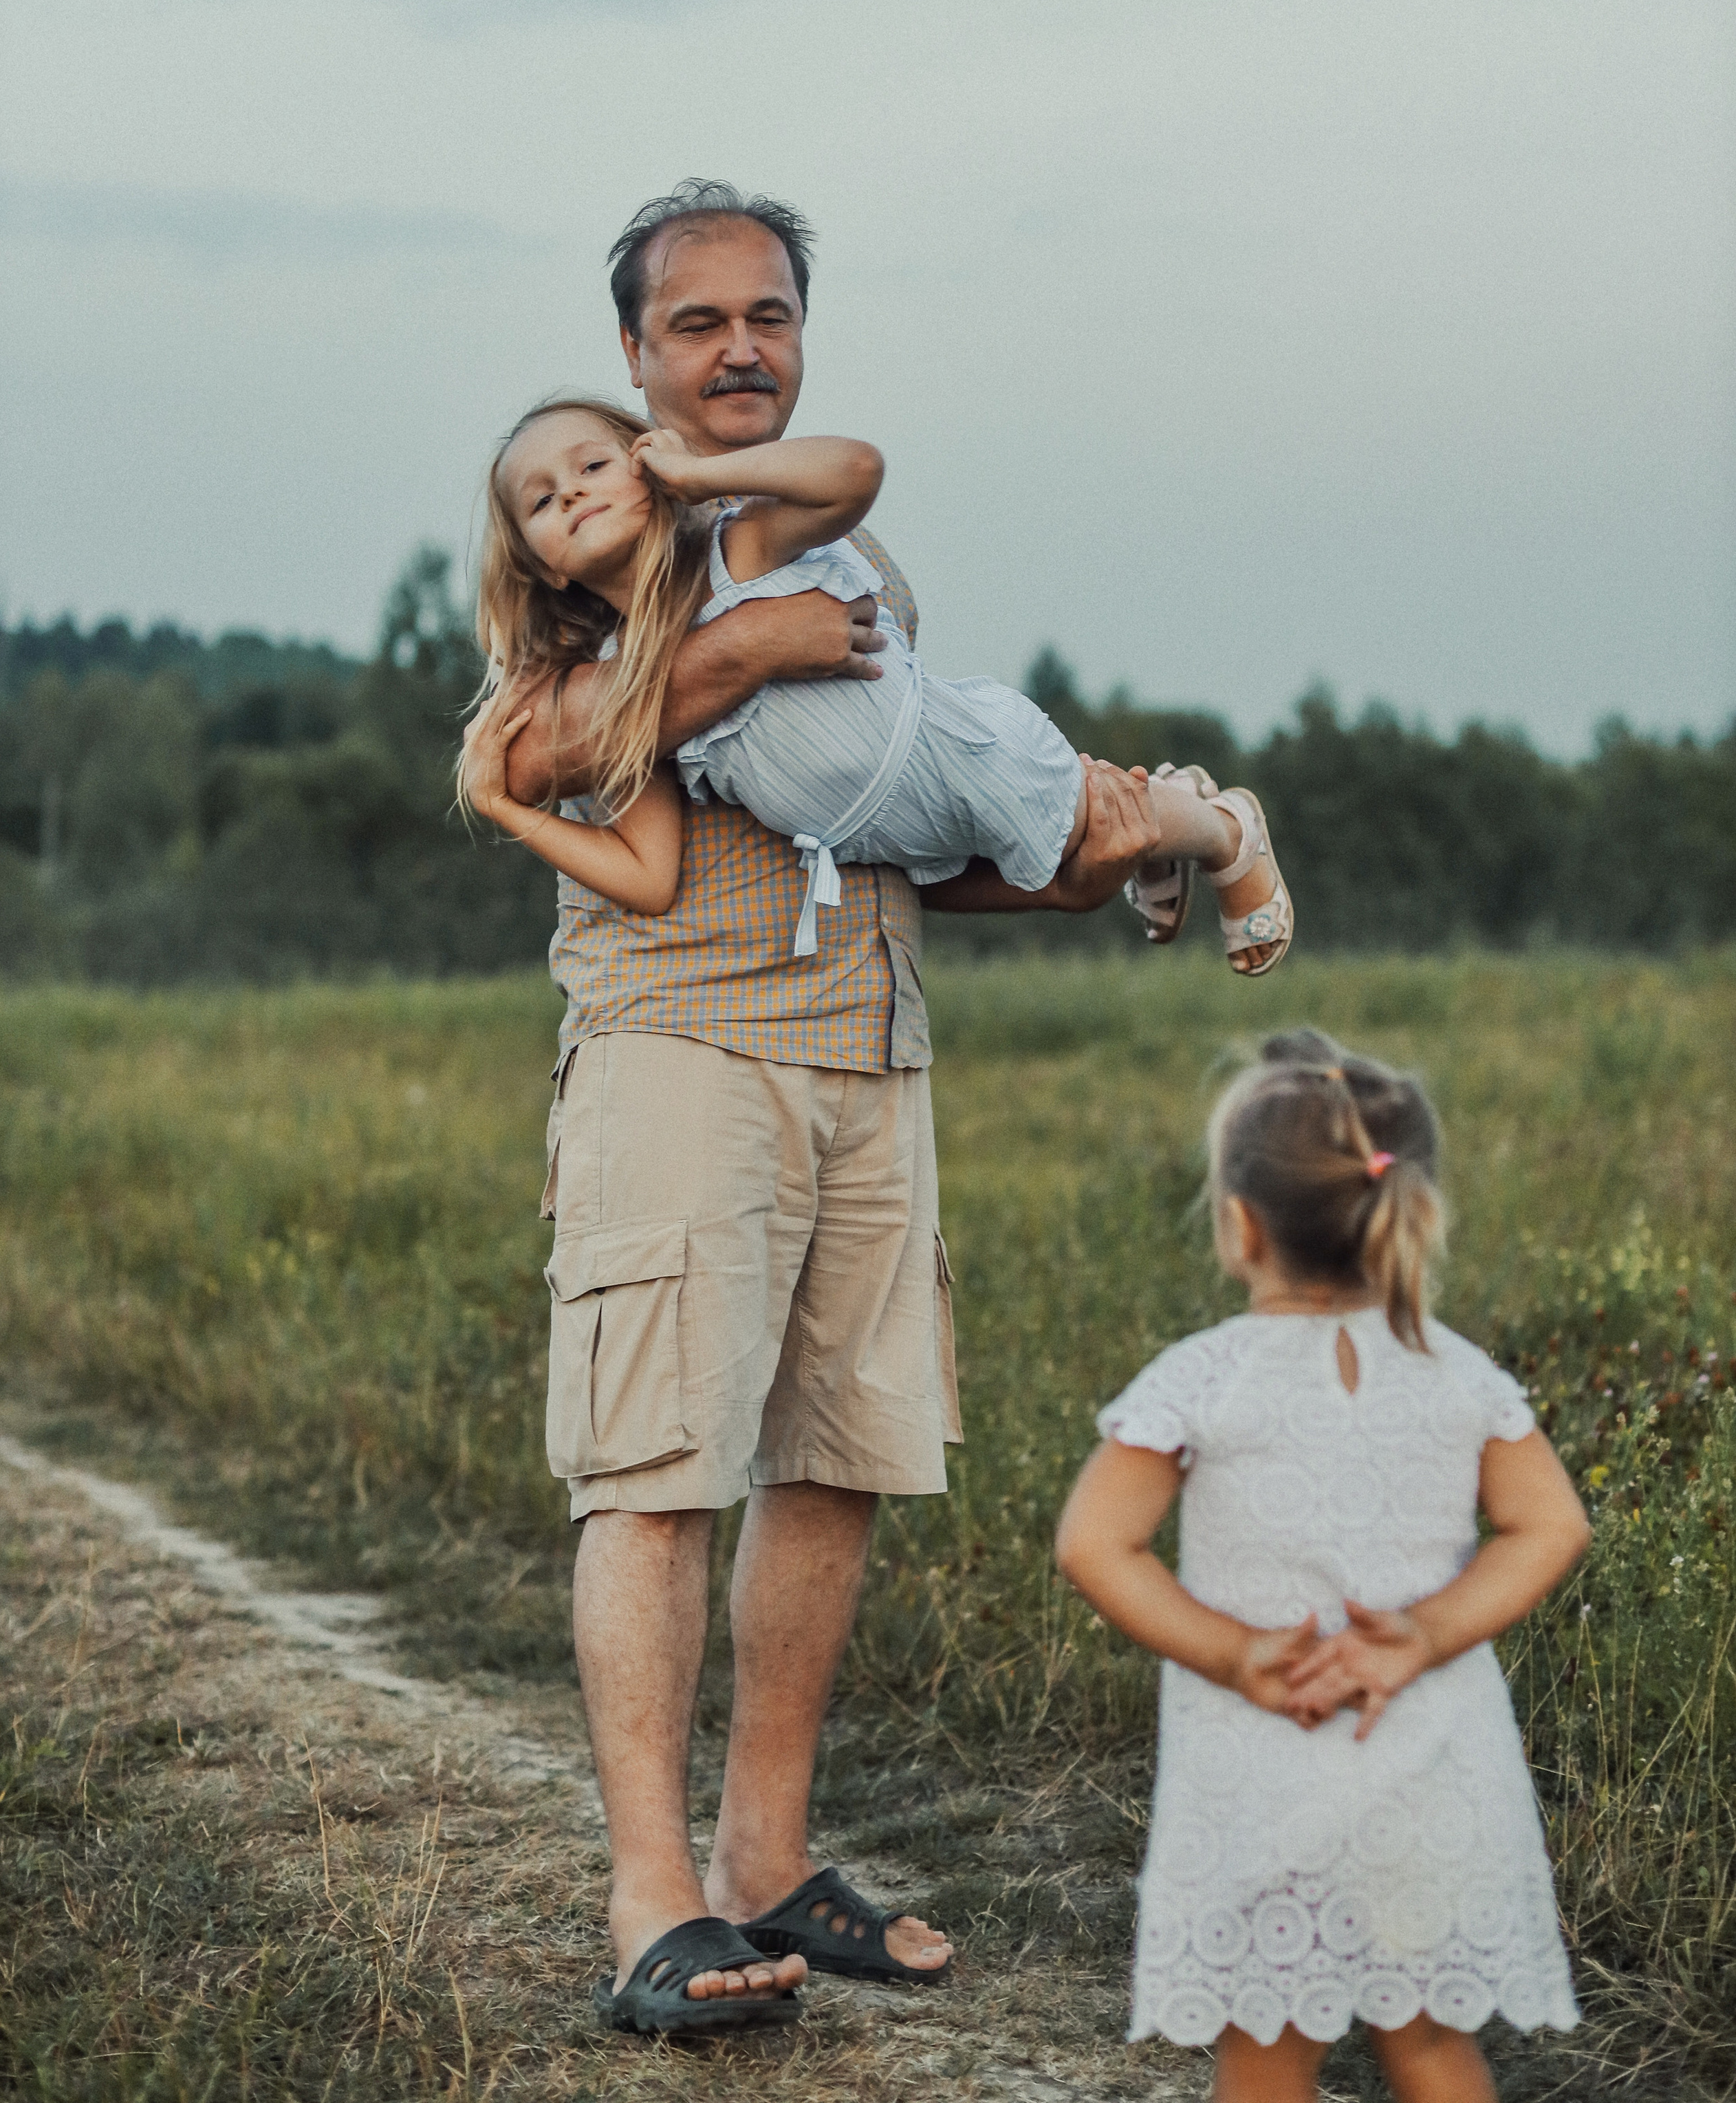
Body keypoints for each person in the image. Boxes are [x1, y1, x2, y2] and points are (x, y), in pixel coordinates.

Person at [470, 181, 1185, 2036]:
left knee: (841, 1463)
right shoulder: (598, 541)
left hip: (872, 1051)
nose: (737, 348)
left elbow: (911, 827)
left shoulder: (834, 555)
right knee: (657, 1473)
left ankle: (768, 1859)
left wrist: (1081, 855)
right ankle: (655, 1911)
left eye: (767, 315)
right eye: (697, 322)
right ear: (635, 354)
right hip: (685, 1057)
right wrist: (728, 656)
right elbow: (540, 747)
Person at [1055, 1030, 1589, 2102]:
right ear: (1403, 1212)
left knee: (1265, 2053)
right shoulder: (1458, 1373)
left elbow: (1094, 1543)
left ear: (1240, 1224)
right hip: (1430, 1767)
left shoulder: (1200, 1380)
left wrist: (1239, 1651)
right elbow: (1551, 1527)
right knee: (1434, 2046)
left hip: (1263, 1775)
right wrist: (1429, 1633)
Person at [459, 398, 1292, 970]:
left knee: (1081, 811)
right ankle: (1172, 826)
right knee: (1083, 848)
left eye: (594, 464)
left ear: (648, 466)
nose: (570, 491)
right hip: (884, 843)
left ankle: (1224, 832)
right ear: (538, 565)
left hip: (963, 757)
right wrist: (505, 809)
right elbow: (647, 876)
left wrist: (702, 478)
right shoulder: (633, 688)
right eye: (541, 500)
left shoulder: (736, 553)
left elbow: (855, 472)